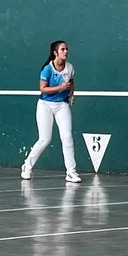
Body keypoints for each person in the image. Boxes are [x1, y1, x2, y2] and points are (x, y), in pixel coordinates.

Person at [20, 40, 81, 183]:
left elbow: (71, 82)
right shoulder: (47, 69)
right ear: (55, 52)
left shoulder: (70, 67)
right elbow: (43, 89)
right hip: (45, 105)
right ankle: (27, 166)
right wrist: (60, 87)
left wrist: (72, 94)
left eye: (66, 49)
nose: (66, 52)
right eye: (63, 49)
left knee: (67, 137)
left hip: (62, 105)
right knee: (45, 139)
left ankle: (71, 172)